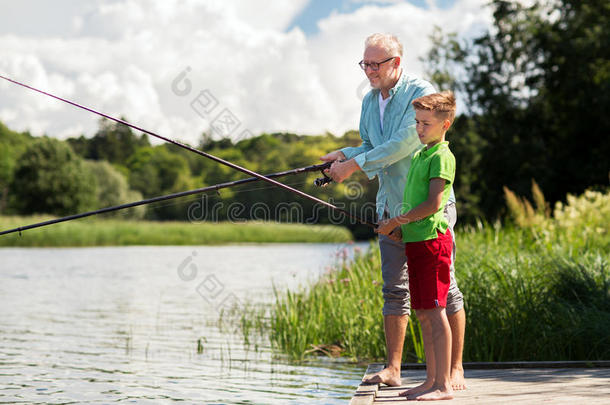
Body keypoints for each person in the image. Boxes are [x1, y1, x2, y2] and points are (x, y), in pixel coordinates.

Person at [320, 33, 466, 391]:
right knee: (394, 290)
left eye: (375, 64)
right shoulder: (370, 101)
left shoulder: (420, 92)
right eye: (365, 64)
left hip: (427, 212)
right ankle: (393, 368)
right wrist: (344, 154)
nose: (368, 71)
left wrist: (354, 166)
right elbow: (371, 145)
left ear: (396, 63)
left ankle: (455, 369)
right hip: (390, 209)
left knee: (445, 291)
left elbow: (403, 144)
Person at [377, 91, 457, 400]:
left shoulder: (441, 156)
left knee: (436, 312)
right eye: (417, 123)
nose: (419, 129)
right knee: (423, 312)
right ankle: (430, 380)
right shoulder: (421, 154)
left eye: (426, 123)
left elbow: (434, 204)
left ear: (444, 125)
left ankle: (444, 385)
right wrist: (402, 231)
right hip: (416, 242)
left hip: (433, 243)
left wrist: (397, 222)